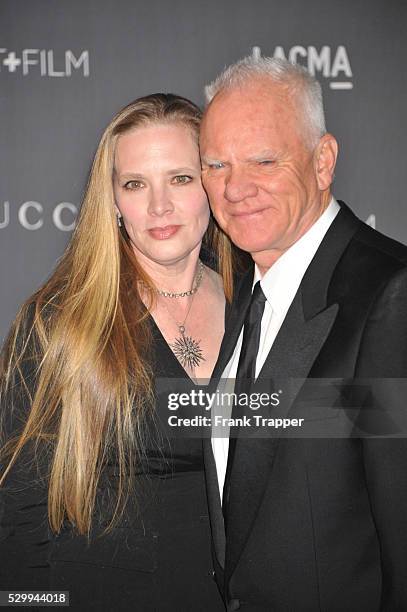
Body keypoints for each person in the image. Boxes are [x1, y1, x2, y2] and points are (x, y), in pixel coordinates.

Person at [0, 93, 230, 611]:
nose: (159, 206)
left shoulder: (258, 309)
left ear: (213, 183)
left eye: (180, 178)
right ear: (113, 202)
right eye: (135, 184)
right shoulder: (61, 322)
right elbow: (18, 516)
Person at [199, 56, 407, 611]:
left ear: (323, 161)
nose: (235, 187)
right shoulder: (245, 288)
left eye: (263, 160)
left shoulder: (390, 298)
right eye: (216, 165)